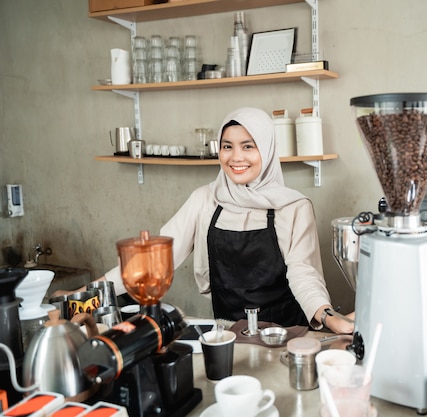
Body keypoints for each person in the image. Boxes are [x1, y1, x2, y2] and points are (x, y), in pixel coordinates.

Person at [56, 107, 353, 334]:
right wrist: (83, 296)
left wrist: (328, 317)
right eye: (227, 146)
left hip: (284, 335)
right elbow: (153, 262)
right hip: (225, 334)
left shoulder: (294, 206)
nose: (236, 157)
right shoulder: (205, 199)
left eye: (248, 146)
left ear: (267, 149)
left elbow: (304, 275)